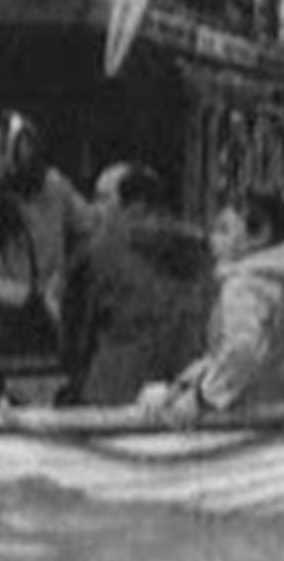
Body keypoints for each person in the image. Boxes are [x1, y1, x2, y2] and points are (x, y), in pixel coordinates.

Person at [0, 113, 91, 403]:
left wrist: (67, 278)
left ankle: (79, 397)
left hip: (47, 308)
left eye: (1, 152)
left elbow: (90, 230)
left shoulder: (53, 187)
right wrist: (29, 296)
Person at [138, 191, 284, 417]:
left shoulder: (245, 285)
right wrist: (182, 385)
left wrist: (202, 397)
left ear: (259, 235)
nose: (212, 238)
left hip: (251, 410)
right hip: (281, 400)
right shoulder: (275, 280)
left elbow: (242, 350)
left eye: (223, 230)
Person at [58, 163, 211, 407]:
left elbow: (75, 338)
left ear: (132, 207)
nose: (96, 210)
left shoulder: (100, 252)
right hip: (183, 394)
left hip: (113, 392)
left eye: (104, 200)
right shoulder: (202, 250)